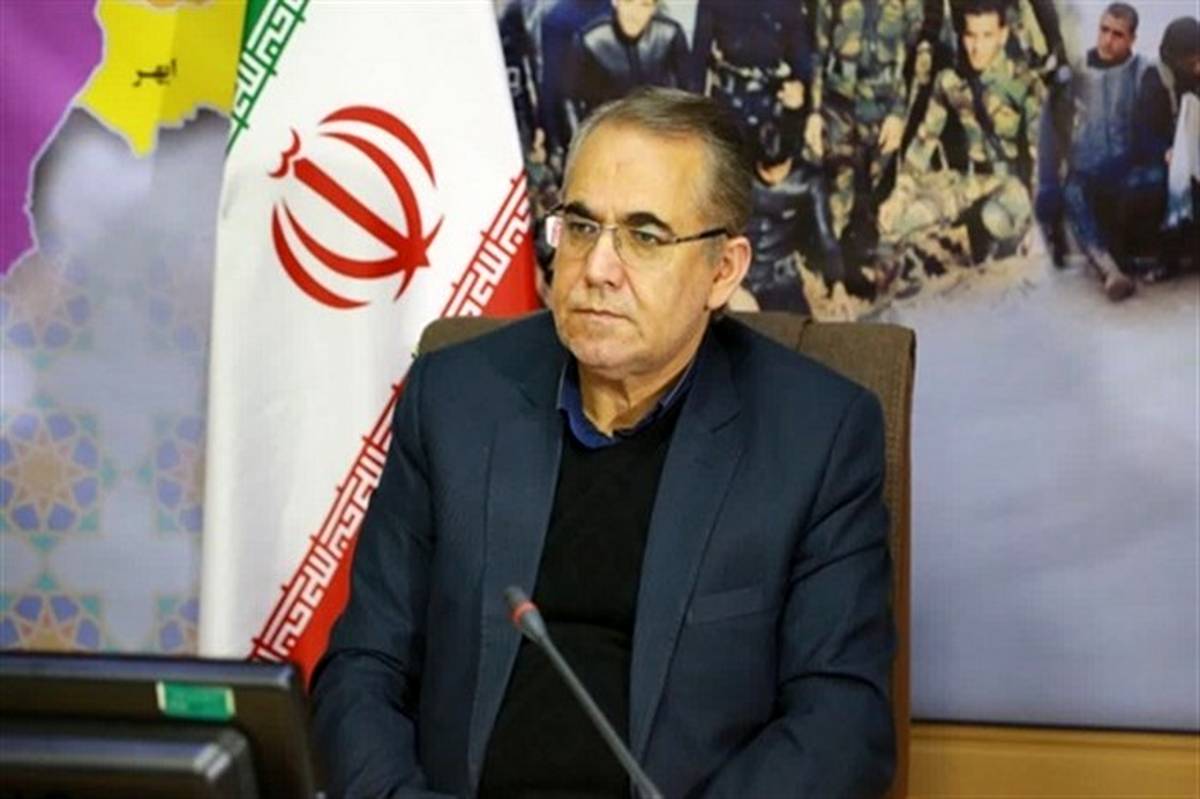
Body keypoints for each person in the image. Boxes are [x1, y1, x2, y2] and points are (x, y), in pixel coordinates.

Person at [311, 87, 896, 798]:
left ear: (723, 271)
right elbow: (362, 668)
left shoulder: (815, 436)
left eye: (645, 237)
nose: (596, 268)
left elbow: (841, 722)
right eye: (582, 227)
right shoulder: (455, 398)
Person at [879, 0, 1043, 264]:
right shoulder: (950, 82)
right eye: (971, 36)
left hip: (1011, 188)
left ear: (1003, 35)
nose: (977, 47)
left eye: (987, 36)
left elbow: (1042, 159)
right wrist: (898, 198)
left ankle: (1006, 252)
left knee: (995, 217)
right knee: (896, 221)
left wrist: (1039, 221)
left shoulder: (1024, 84)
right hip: (972, 184)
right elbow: (921, 147)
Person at [1128, 15, 1200, 279]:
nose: (1197, 68)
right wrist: (1164, 152)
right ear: (1176, 58)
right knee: (1161, 182)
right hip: (1164, 157)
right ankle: (1166, 259)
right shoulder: (1155, 79)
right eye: (1191, 62)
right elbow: (1143, 132)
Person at [562, 0, 690, 134]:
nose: (634, 13)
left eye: (645, 4)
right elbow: (569, 99)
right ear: (615, 2)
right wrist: (580, 140)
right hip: (609, 133)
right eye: (628, 2)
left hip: (658, 131)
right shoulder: (591, 40)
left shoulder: (670, 34)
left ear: (654, 8)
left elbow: (688, 91)